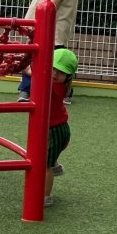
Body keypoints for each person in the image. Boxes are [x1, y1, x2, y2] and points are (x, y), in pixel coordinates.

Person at [44, 48, 77, 207]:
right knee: (47, 155)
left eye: (60, 72)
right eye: (53, 69)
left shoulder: (56, 86)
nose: (55, 74)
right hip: (60, 128)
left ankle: (46, 197)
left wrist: (25, 68)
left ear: (68, 76)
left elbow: (34, 75)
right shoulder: (60, 84)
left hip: (55, 131)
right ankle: (55, 164)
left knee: (44, 166)